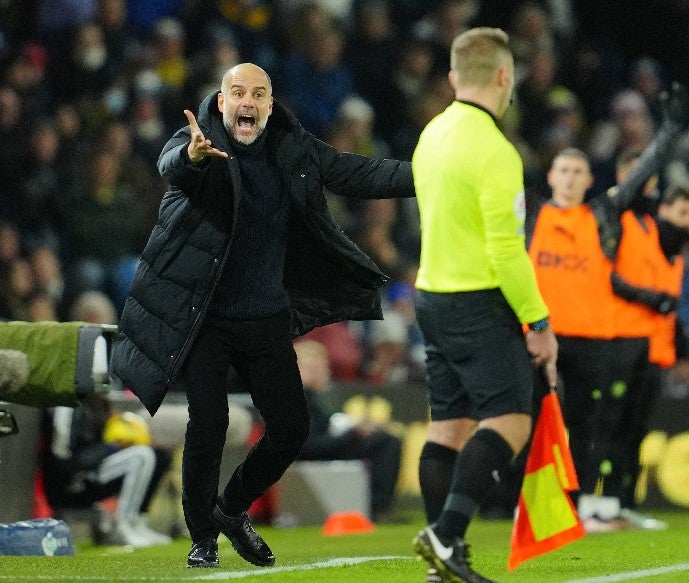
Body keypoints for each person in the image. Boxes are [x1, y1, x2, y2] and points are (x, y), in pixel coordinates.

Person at [110, 62, 415, 569]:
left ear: (270, 106)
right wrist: (191, 156)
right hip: (206, 315)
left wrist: (430, 175)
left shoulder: (292, 150)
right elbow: (172, 168)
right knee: (208, 422)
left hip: (266, 317)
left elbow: (356, 172)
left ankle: (231, 509)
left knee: (292, 429)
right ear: (223, 100)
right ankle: (203, 537)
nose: (247, 102)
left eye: (258, 94)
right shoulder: (195, 141)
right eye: (237, 92)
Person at [410, 28, 558, 583]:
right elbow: (505, 250)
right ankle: (445, 538)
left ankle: (442, 563)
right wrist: (537, 321)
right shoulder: (497, 151)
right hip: (476, 299)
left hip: (431, 294)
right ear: (505, 76)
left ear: (453, 78)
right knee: (511, 421)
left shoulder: (431, 135)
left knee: (447, 427)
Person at [527, 84, 687, 530]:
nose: (573, 177)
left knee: (584, 426)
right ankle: (527, 502)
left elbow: (641, 175)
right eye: (565, 169)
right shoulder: (531, 218)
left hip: (593, 339)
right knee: (529, 422)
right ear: (552, 176)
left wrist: (669, 131)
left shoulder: (600, 216)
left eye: (580, 170)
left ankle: (572, 504)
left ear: (589, 180)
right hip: (543, 337)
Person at [611, 184, 689, 530]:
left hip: (653, 352)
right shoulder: (637, 235)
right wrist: (649, 298)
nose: (688, 222)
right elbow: (611, 279)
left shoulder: (676, 255)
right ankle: (599, 504)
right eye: (682, 213)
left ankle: (623, 504)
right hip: (621, 343)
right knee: (612, 427)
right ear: (662, 211)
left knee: (636, 430)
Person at [41, 394, 172, 547]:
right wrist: (113, 447)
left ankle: (135, 522)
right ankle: (121, 526)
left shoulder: (95, 402)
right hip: (71, 484)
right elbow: (65, 461)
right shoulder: (65, 406)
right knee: (141, 456)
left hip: (92, 470)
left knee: (159, 455)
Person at [293, 339, 402, 521]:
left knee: (382, 440)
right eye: (313, 368)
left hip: (318, 450)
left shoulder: (311, 399)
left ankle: (375, 505)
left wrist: (355, 429)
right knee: (385, 442)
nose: (322, 373)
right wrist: (355, 434)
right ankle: (376, 507)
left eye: (322, 367)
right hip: (307, 455)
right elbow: (305, 445)